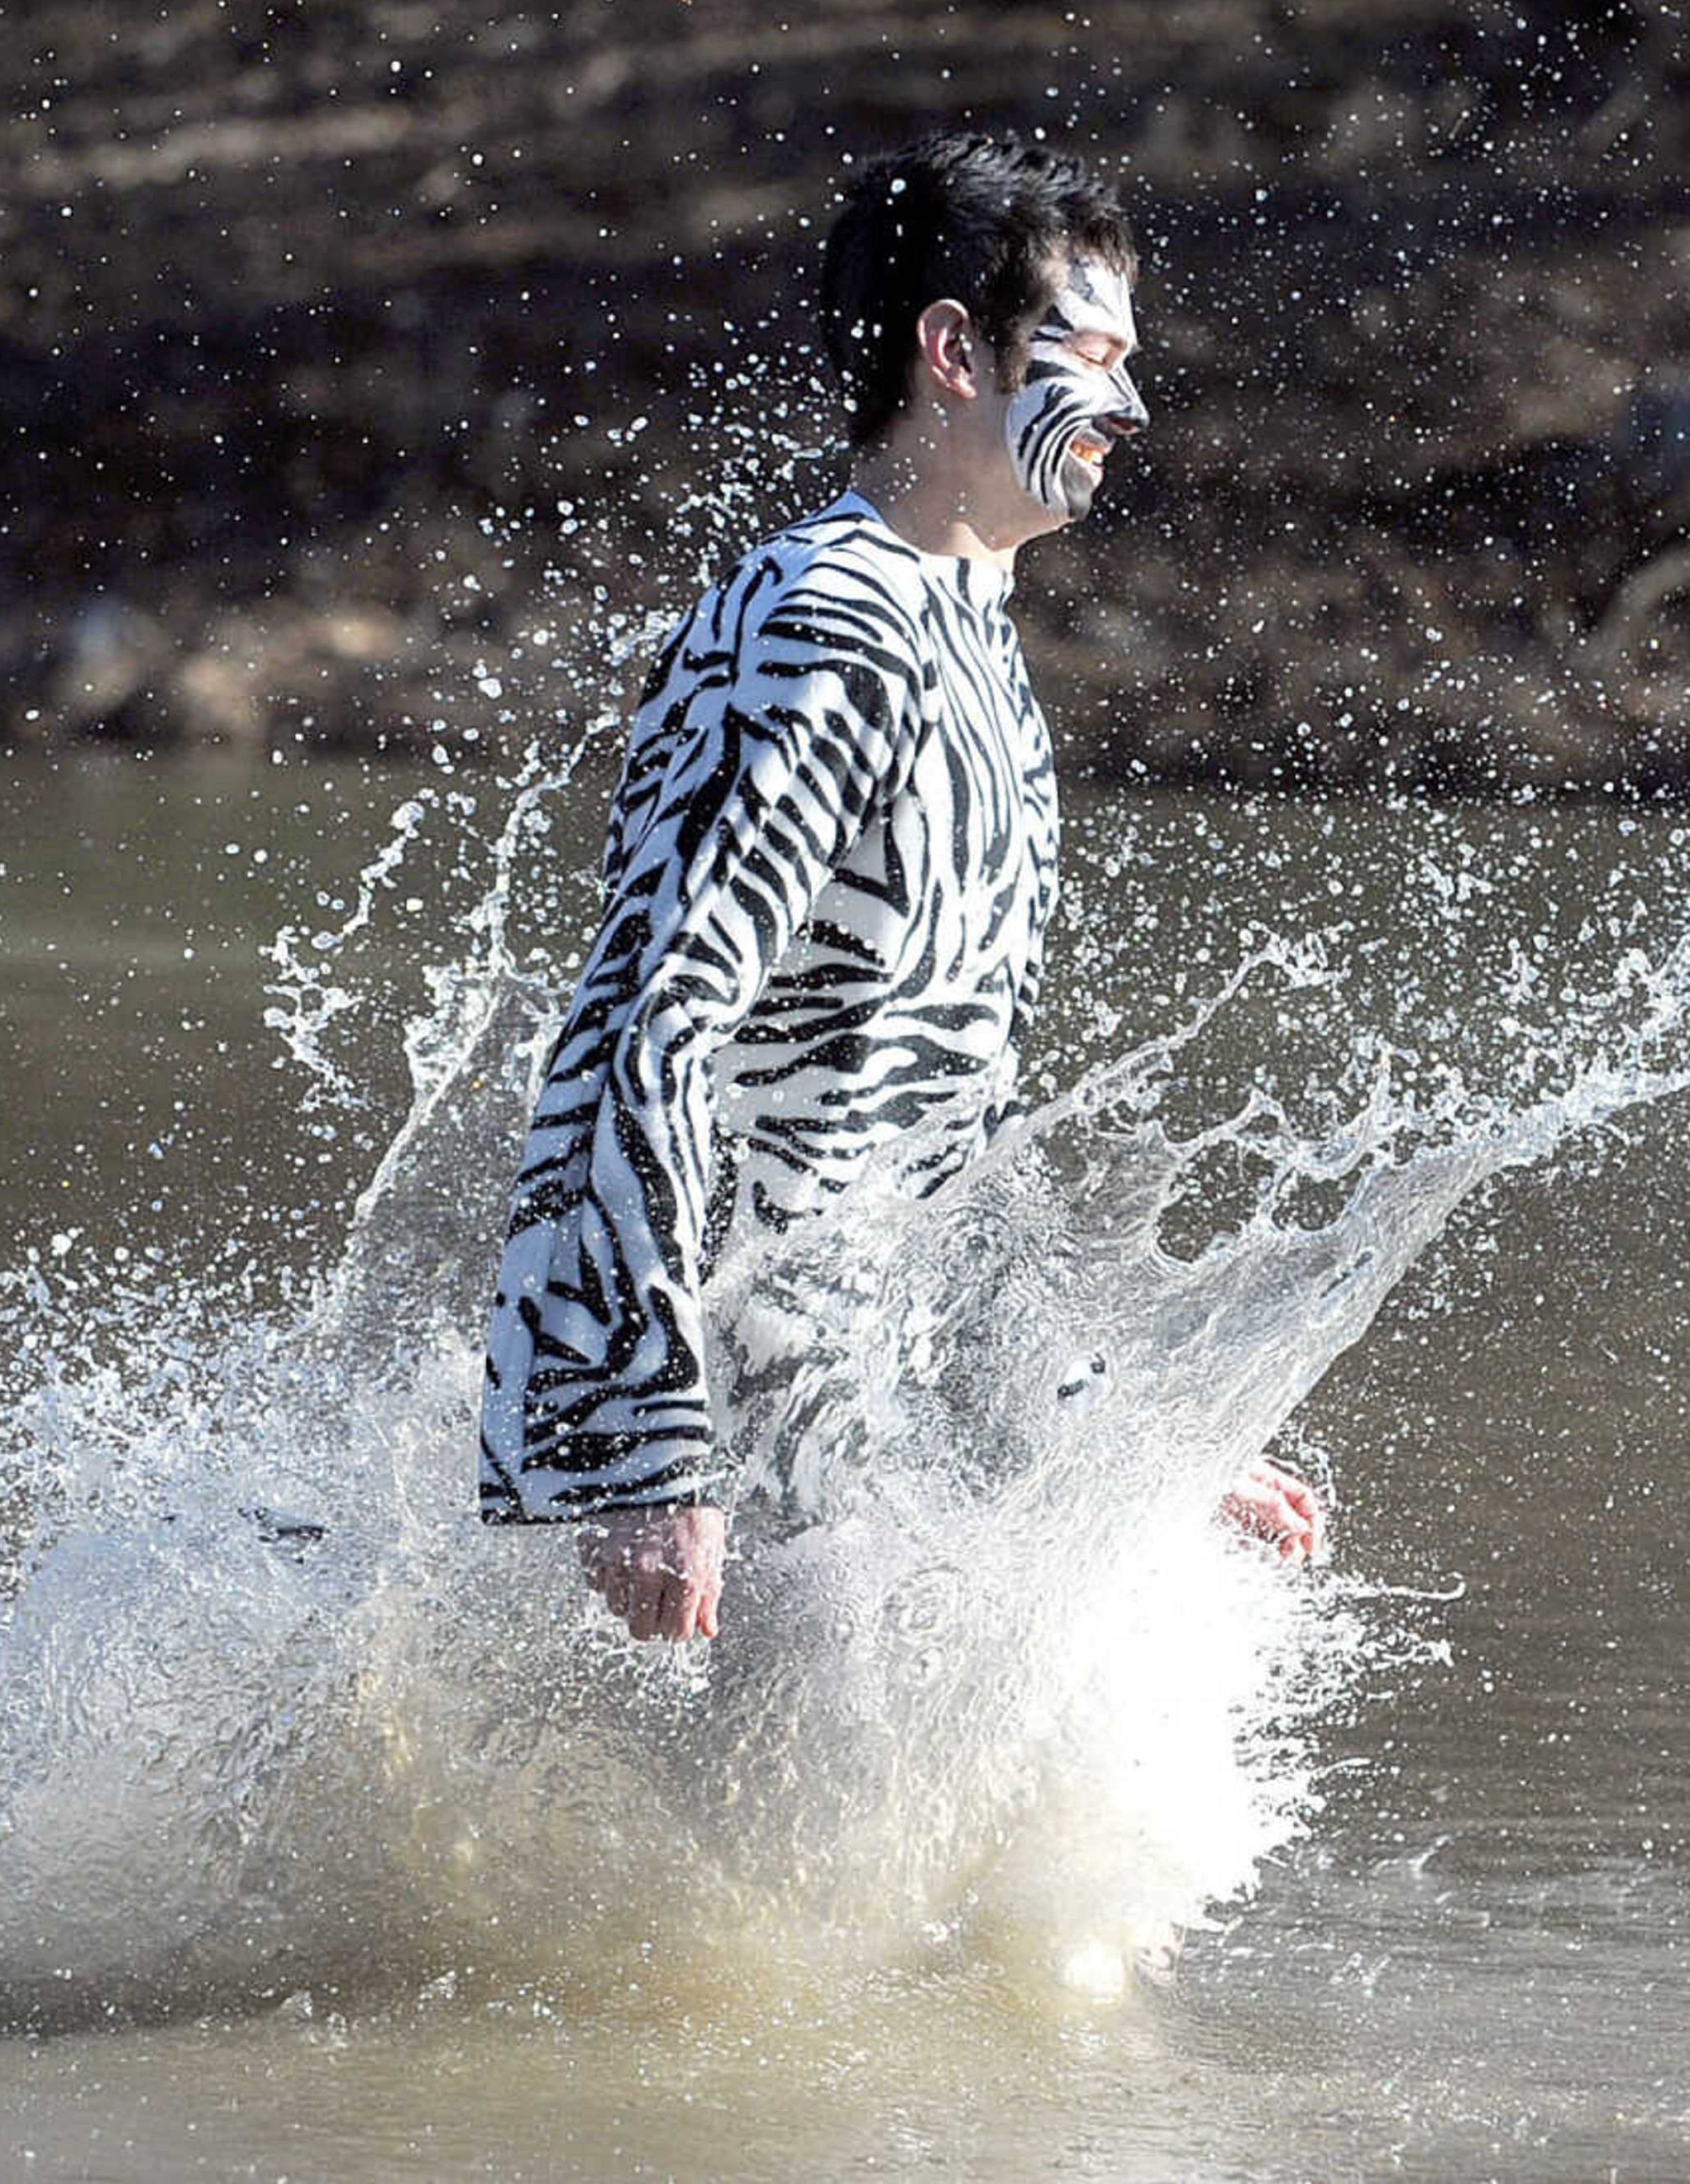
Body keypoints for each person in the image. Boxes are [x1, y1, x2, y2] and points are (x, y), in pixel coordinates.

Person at [478, 130, 1324, 1644]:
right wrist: (638, 1450)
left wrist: (1119, 1445)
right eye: (1090, 354)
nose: (1129, 405)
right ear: (954, 352)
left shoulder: (971, 648)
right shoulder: (825, 622)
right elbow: (640, 1019)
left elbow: (943, 1141)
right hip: (732, 1448)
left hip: (860, 1430)